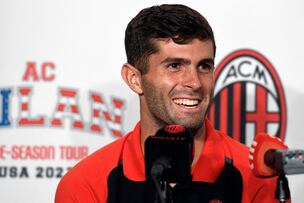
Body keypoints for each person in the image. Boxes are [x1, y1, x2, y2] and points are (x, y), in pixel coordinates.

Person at [55, 4, 287, 203]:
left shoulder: (256, 177)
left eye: (204, 66)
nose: (195, 82)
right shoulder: (85, 184)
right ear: (134, 79)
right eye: (174, 66)